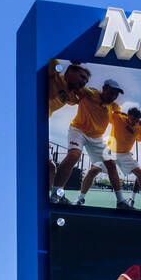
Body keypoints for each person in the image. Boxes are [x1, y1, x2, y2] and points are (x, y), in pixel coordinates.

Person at [53, 78, 131, 210]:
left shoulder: (113, 106)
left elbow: (119, 116)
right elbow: (74, 87)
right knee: (74, 155)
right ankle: (55, 196)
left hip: (97, 138)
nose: (114, 96)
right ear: (104, 88)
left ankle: (121, 201)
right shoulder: (89, 93)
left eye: (116, 94)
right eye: (111, 92)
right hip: (78, 130)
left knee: (111, 164)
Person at [48, 60, 89, 200]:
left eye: (86, 80)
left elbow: (79, 97)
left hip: (40, 126)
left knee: (51, 167)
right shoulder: (55, 76)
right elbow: (49, 57)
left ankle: (55, 196)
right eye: (82, 77)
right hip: (27, 120)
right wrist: (73, 60)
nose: (84, 81)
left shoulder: (71, 95)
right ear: (70, 72)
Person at [107, 106, 141, 211]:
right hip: (110, 151)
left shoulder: (139, 126)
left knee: (140, 173)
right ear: (129, 115)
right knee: (94, 170)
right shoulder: (118, 117)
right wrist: (121, 113)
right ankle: (80, 198)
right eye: (133, 118)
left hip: (125, 154)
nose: (134, 121)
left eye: (137, 119)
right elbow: (109, 112)